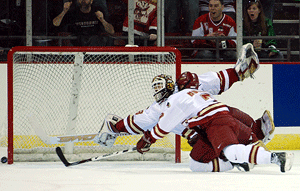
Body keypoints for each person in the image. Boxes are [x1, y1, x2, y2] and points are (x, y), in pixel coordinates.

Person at [135, 72, 294, 173]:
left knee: (230, 150)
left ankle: (276, 157)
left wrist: (146, 140)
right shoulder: (196, 92)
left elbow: (163, 127)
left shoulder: (177, 99)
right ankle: (239, 158)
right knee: (196, 164)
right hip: (219, 120)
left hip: (214, 122)